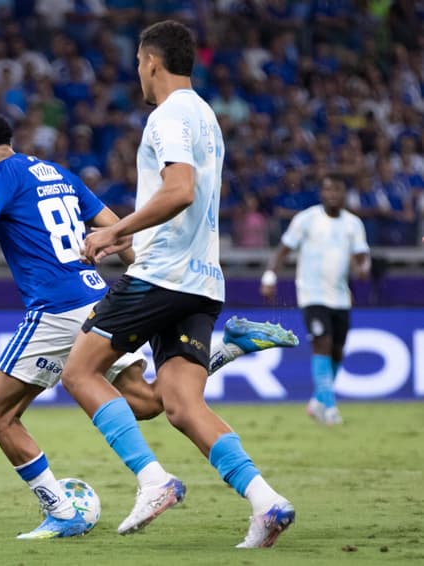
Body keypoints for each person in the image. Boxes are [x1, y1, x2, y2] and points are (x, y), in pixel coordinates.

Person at [0, 108, 297, 539]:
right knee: (150, 402)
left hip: (54, 310)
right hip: (97, 299)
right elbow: (118, 231)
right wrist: (140, 285)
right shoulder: (57, 173)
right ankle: (228, 349)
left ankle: (63, 508)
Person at [61, 20, 295, 548]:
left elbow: (180, 191)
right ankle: (267, 502)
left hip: (162, 277)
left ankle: (153, 480)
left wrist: (114, 231)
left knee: (78, 372)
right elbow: (182, 202)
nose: (137, 77)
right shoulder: (206, 116)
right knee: (181, 406)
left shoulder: (167, 116)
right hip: (202, 279)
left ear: (150, 61)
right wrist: (132, 238)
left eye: (138, 67)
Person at [261, 176, 370, 425]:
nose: (332, 194)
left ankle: (318, 400)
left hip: (341, 296)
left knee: (337, 351)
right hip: (312, 294)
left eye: (337, 189)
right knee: (322, 343)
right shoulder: (306, 219)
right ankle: (330, 408)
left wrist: (364, 267)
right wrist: (269, 277)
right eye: (327, 189)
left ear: (345, 193)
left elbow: (362, 254)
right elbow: (283, 250)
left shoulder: (354, 224)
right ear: (321, 193)